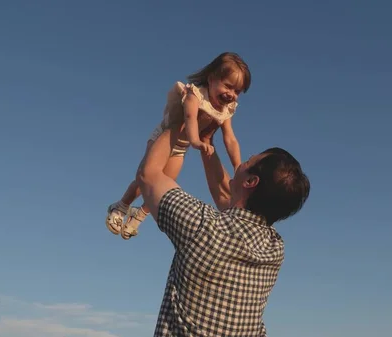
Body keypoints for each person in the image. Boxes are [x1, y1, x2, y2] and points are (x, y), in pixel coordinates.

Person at [137, 121, 310, 336]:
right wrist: (207, 144)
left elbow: (149, 175)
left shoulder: (201, 226)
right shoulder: (275, 250)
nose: (240, 164)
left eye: (247, 162)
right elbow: (229, 199)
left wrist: (179, 118)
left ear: (251, 182)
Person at [106, 52, 251, 240]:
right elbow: (189, 118)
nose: (231, 94)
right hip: (164, 137)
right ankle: (121, 206)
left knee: (165, 182)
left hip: (180, 148)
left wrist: (238, 166)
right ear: (212, 79)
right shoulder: (196, 95)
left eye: (237, 91)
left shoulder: (227, 109)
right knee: (145, 178)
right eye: (228, 86)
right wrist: (196, 141)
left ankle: (140, 214)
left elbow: (230, 138)